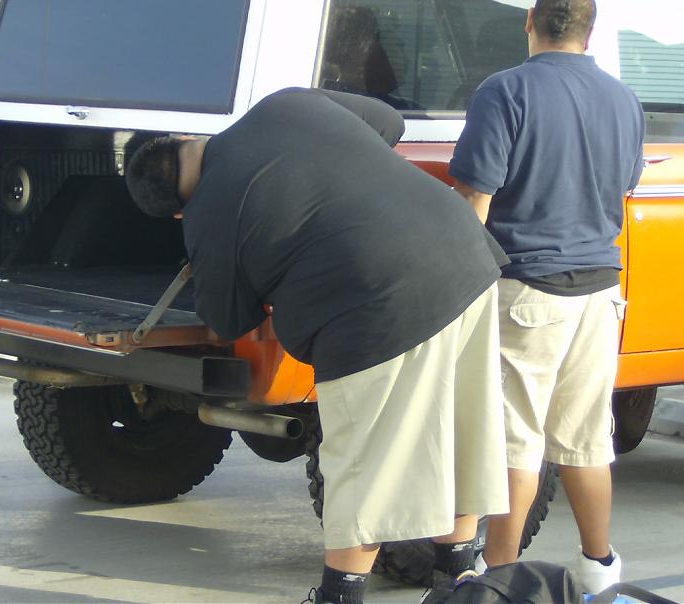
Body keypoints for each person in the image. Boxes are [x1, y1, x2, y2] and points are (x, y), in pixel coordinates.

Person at [125, 87, 509, 604]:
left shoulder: (206, 216)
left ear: (175, 213)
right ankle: (460, 583)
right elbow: (388, 123)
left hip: (377, 307)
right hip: (466, 256)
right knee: (463, 432)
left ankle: (340, 597)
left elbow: (227, 318)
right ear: (183, 140)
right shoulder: (284, 104)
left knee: (364, 462)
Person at [449, 0, 645, 594]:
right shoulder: (623, 98)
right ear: (591, 33)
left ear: (529, 23)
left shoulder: (505, 91)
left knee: (516, 443)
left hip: (527, 289)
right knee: (587, 439)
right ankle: (600, 568)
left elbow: (475, 194)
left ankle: (503, 579)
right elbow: (625, 184)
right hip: (600, 293)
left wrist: (460, 287)